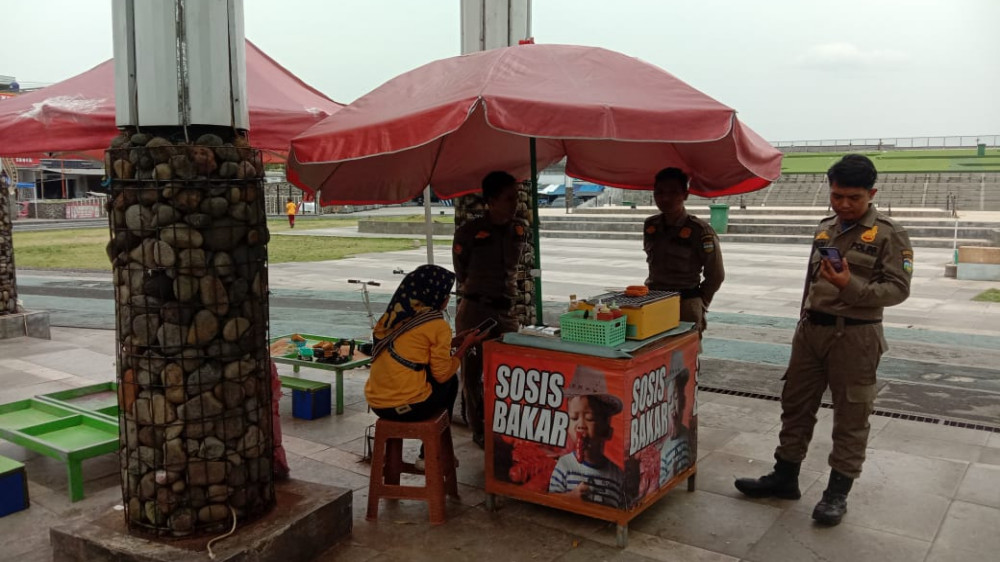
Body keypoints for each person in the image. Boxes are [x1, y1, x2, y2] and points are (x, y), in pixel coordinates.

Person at [734, 154, 913, 526]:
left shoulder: (888, 234)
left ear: (871, 193)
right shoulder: (826, 227)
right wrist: (803, 317)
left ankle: (837, 492)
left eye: (853, 198)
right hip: (811, 332)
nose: (844, 205)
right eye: (836, 196)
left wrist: (851, 285)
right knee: (795, 404)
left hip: (856, 336)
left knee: (851, 414)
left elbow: (897, 290)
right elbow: (813, 280)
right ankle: (785, 475)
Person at [364, 264, 486, 469]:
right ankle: (428, 453)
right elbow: (442, 373)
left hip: (377, 403)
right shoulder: (437, 325)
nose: (447, 298)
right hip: (406, 408)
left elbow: (415, 347)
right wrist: (466, 345)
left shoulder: (393, 317)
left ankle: (424, 452)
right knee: (451, 380)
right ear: (436, 296)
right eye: (446, 294)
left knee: (431, 375)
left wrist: (454, 342)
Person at [452, 171, 526, 448]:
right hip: (476, 310)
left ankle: (505, 426)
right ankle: (480, 430)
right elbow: (461, 273)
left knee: (509, 372)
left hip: (506, 314)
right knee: (473, 374)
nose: (515, 204)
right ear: (491, 200)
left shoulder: (518, 228)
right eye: (509, 198)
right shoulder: (469, 233)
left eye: (516, 198)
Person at [643, 167, 725, 333]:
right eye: (659, 192)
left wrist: (700, 302)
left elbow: (716, 275)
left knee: (686, 356)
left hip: (685, 304)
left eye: (673, 192)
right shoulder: (651, 225)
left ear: (685, 195)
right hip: (653, 301)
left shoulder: (699, 231)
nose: (665, 198)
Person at [548, 366, 625, 508]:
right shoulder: (564, 465)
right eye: (574, 417)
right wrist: (569, 498)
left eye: (590, 418)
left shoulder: (617, 475)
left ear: (607, 431)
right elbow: (551, 501)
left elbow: (621, 507)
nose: (580, 425)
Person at [658, 360, 692, 486]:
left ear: (683, 401)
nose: (672, 408)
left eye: (676, 398)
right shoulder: (663, 441)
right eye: (670, 400)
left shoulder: (685, 440)